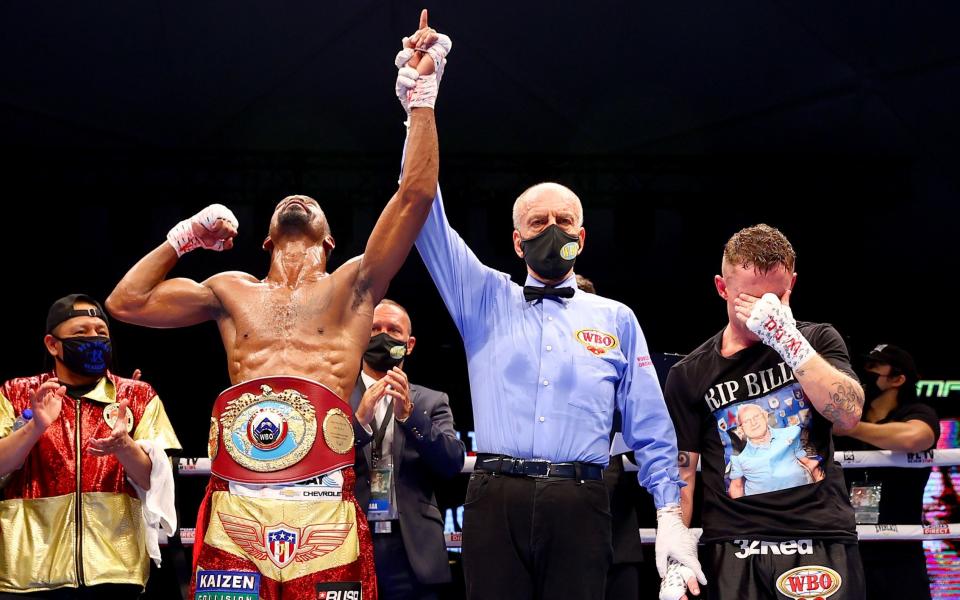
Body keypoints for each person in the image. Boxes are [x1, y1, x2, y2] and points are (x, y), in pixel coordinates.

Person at [106, 11, 450, 599]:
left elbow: (415, 195)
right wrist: (183, 238)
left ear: (331, 237)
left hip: (323, 491)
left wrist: (422, 97)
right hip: (239, 491)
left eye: (311, 201)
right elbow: (126, 302)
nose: (298, 198)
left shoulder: (355, 286)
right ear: (265, 238)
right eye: (287, 200)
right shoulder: (229, 290)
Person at [415, 182, 704, 599]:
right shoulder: (483, 299)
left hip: (580, 499)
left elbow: (651, 425)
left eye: (563, 221)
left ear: (581, 236)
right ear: (518, 241)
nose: (552, 230)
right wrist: (420, 118)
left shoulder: (616, 318)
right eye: (538, 222)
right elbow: (427, 219)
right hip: (496, 497)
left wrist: (670, 515)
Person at [664, 224, 866, 600]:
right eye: (749, 299)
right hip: (733, 542)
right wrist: (676, 539)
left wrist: (788, 341)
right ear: (722, 288)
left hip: (819, 534)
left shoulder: (819, 340)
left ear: (792, 284)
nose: (760, 312)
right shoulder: (690, 374)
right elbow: (683, 471)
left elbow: (848, 414)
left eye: (772, 299)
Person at [0, 294, 180, 599]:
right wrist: (36, 427)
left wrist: (124, 446)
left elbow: (157, 480)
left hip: (115, 569)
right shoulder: (17, 392)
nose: (94, 339)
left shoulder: (136, 396)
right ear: (52, 344)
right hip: (27, 569)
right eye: (80, 333)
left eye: (101, 332)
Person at [350, 299, 465, 599]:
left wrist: (409, 415)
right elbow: (320, 466)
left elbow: (452, 463)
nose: (383, 335)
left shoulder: (431, 401)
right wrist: (359, 422)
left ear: (409, 344)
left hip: (412, 547)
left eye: (393, 330)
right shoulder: (338, 397)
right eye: (374, 328)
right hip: (350, 541)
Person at [835, 344, 939, 600]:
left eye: (873, 367)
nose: (863, 372)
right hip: (845, 548)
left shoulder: (916, 412)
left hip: (899, 553)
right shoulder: (847, 413)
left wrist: (850, 428)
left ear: (897, 379)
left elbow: (916, 437)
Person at [727, 403, 823, 498]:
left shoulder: (791, 433)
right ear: (741, 428)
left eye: (756, 416)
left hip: (803, 497)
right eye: (747, 421)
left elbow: (807, 463)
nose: (753, 423)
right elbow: (736, 486)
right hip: (765, 509)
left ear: (765, 416)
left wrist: (820, 488)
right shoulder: (738, 457)